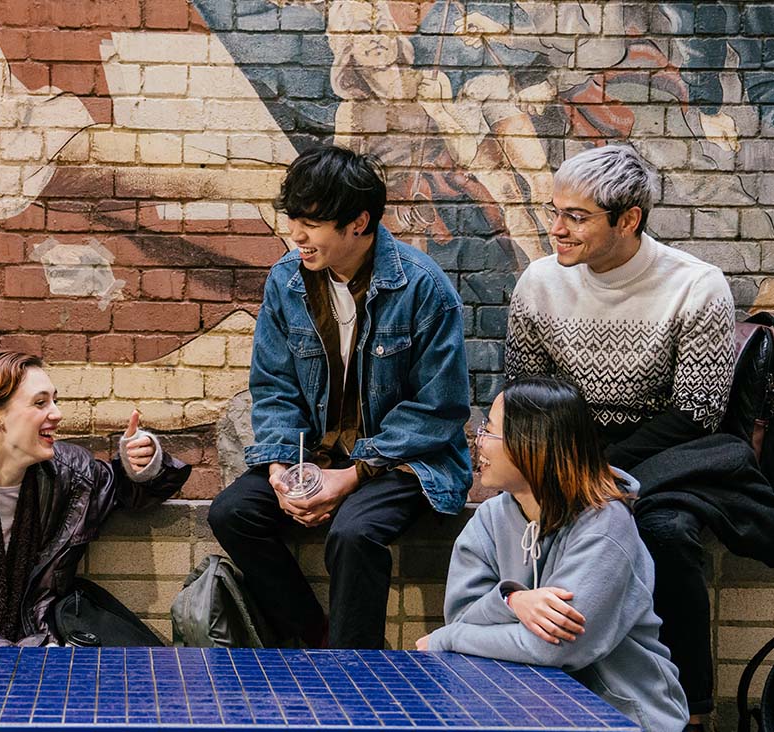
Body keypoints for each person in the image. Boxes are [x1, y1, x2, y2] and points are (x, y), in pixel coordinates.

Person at [504, 143, 774, 728]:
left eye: (576, 217)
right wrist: (569, 471)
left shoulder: (694, 284)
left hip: (670, 459)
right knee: (517, 525)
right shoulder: (538, 283)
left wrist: (600, 471)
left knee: (664, 532)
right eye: (554, 212)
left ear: (628, 219)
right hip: (565, 455)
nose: (557, 229)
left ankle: (693, 708)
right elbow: (526, 393)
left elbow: (697, 412)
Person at [208, 144, 472, 649]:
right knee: (232, 512)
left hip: (406, 462)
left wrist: (350, 476)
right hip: (318, 454)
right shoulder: (286, 280)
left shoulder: (423, 288)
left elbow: (439, 410)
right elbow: (274, 385)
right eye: (293, 219)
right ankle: (316, 645)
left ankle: (357, 676)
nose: (296, 234)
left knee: (353, 534)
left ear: (359, 222)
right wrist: (281, 469)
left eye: (312, 222)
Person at [418, 377, 689, 731]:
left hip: (621, 715)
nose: (478, 441)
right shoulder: (489, 519)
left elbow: (552, 648)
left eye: (490, 430)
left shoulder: (605, 524)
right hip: (527, 709)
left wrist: (446, 640)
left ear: (532, 444)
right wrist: (513, 601)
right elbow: (462, 616)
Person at [0, 350, 190, 646]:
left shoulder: (71, 473)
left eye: (54, 400)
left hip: (43, 647)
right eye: (40, 403)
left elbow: (133, 490)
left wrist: (142, 461)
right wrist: (7, 655)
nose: (57, 414)